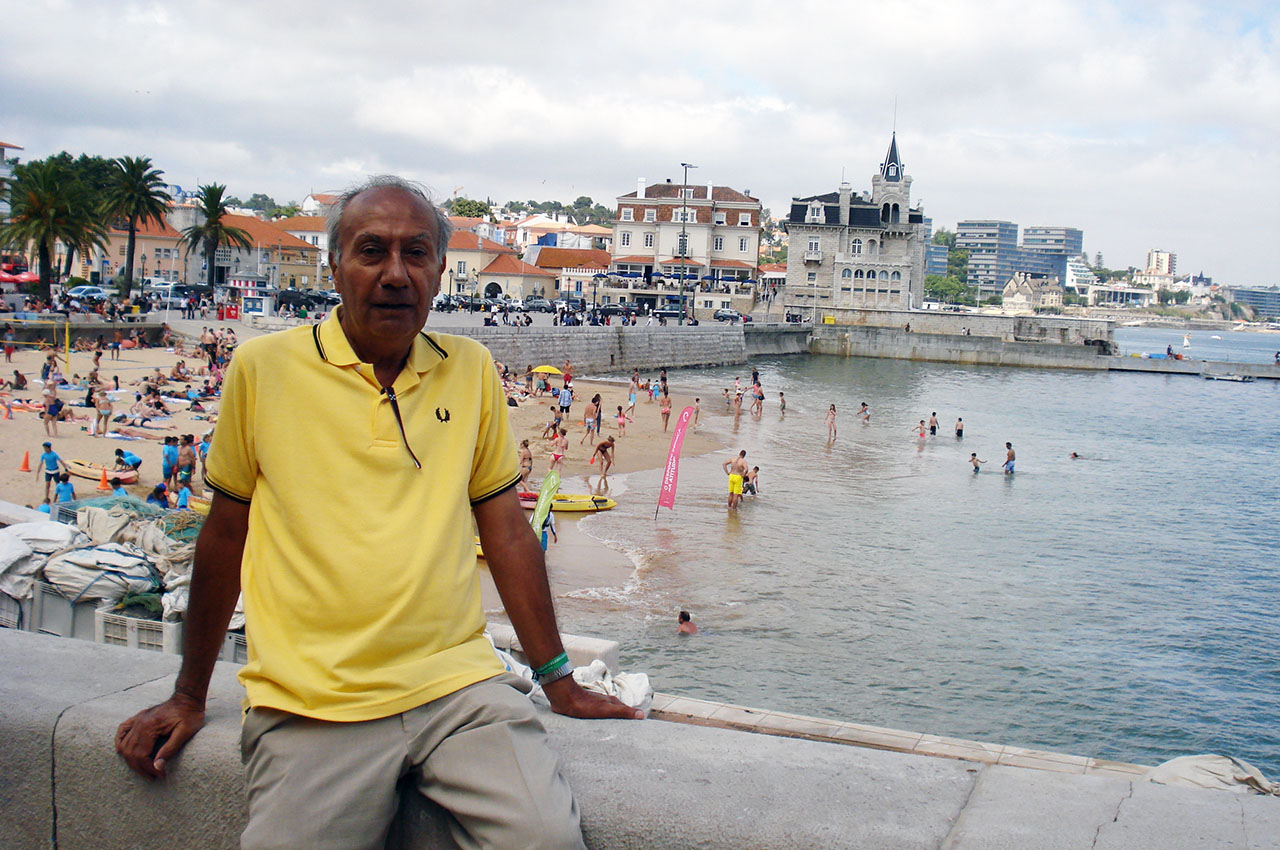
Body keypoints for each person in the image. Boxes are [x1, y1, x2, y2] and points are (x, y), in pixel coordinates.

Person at [114, 177, 637, 850]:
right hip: (312, 701)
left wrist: (558, 681)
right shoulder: (262, 369)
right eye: (371, 252)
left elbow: (505, 530)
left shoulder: (470, 369)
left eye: (416, 253)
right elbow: (226, 533)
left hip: (458, 689)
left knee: (548, 841)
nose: (396, 274)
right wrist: (189, 694)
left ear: (440, 270)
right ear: (335, 267)